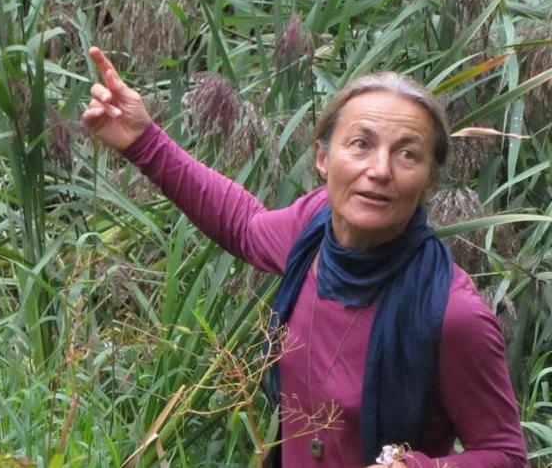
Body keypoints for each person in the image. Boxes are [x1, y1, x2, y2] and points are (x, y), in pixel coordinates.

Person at [81, 47, 529, 468]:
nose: (379, 170)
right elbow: (243, 225)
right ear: (322, 158)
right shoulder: (313, 229)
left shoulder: (452, 315)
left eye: (407, 154)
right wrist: (143, 141)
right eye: (361, 144)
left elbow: (506, 455)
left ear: (429, 180)